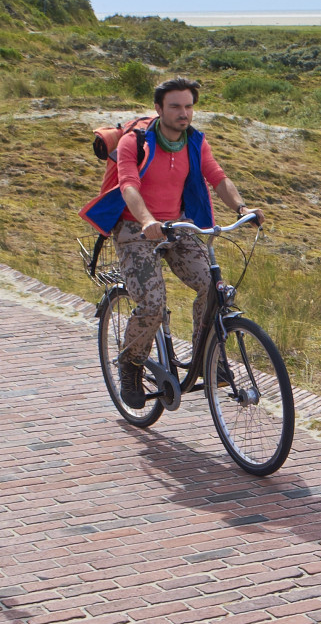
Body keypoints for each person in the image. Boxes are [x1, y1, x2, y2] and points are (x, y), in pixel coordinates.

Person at [82, 77, 261, 408]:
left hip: (177, 225)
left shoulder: (194, 142)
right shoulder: (135, 142)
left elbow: (217, 177)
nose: (184, 113)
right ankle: (131, 363)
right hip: (136, 227)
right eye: (176, 106)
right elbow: (128, 185)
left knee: (214, 288)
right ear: (159, 108)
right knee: (152, 302)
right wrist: (147, 219)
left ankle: (207, 357)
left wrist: (241, 207)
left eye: (189, 106)